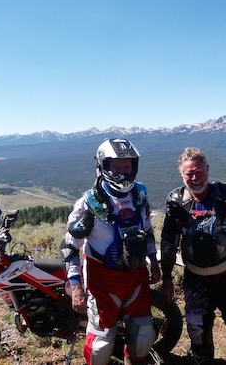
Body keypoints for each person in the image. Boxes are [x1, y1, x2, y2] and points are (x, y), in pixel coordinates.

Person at [160, 147, 226, 365]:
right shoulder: (176, 203)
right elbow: (168, 242)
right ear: (182, 174)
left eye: (199, 171)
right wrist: (167, 277)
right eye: (189, 174)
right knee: (198, 334)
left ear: (207, 169)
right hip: (195, 280)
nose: (195, 177)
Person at [60, 138, 161, 365]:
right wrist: (76, 287)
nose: (124, 171)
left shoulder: (140, 195)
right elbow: (69, 246)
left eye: (128, 166)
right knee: (100, 344)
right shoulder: (88, 203)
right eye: (117, 166)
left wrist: (154, 262)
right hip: (103, 280)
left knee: (144, 334)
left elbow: (147, 230)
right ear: (103, 166)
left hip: (136, 275)